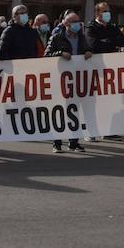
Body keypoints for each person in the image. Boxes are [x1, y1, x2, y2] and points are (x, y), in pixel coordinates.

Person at [46, 11, 85, 153]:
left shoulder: (81, 37)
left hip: (77, 79)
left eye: (78, 21)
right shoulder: (56, 37)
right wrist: (60, 54)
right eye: (74, 21)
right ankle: (57, 143)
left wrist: (88, 51)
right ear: (66, 23)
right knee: (60, 111)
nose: (77, 24)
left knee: (75, 111)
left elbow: (87, 49)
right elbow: (47, 55)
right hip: (61, 79)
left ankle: (74, 142)